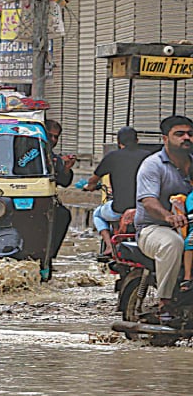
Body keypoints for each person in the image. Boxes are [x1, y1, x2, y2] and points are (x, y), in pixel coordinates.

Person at [135, 115, 193, 319]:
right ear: (165, 138)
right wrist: (169, 217)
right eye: (179, 134)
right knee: (172, 243)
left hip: (190, 227)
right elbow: (148, 201)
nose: (186, 138)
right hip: (154, 229)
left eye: (190, 134)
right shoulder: (153, 165)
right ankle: (165, 303)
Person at [82, 126, 151, 256]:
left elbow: (93, 180)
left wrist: (88, 187)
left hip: (119, 209)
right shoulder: (149, 157)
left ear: (119, 143)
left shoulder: (112, 157)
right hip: (144, 210)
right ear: (137, 141)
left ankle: (109, 246)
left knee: (97, 214)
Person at [46, 119, 76, 259]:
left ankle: (50, 255)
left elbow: (64, 182)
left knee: (63, 215)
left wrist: (66, 168)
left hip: (46, 200)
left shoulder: (54, 157)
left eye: (56, 137)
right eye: (50, 135)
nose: (53, 139)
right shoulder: (28, 151)